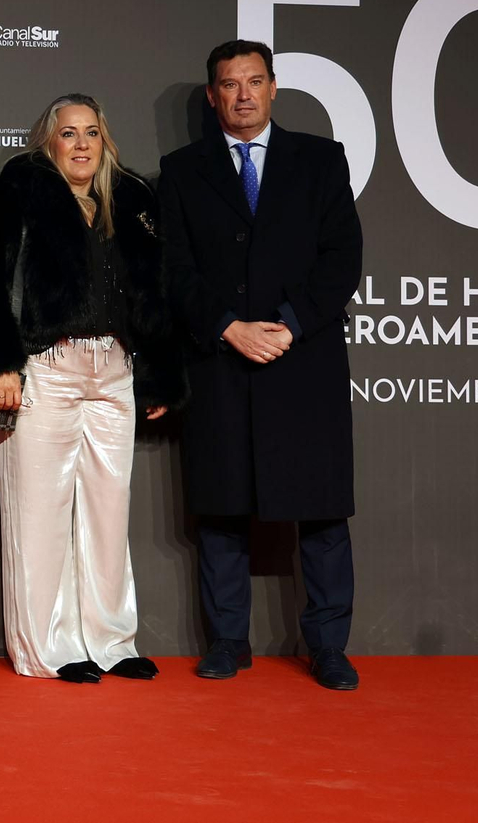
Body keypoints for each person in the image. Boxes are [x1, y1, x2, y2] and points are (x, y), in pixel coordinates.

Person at [0, 94, 185, 682]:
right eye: (68, 133)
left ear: (105, 140)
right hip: (45, 368)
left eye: (91, 133)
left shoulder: (132, 201)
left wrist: (155, 372)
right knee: (39, 512)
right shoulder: (13, 195)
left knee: (109, 514)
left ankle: (111, 641)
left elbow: (155, 294)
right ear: (48, 141)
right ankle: (47, 650)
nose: (81, 144)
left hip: (115, 370)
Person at [157, 39, 364, 691]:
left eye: (254, 80)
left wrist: (290, 324)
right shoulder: (183, 170)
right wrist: (227, 327)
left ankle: (328, 645)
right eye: (229, 83)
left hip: (304, 362)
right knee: (221, 508)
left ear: (274, 87)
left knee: (322, 510)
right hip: (221, 359)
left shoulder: (321, 161)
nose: (242, 94)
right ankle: (227, 641)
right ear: (213, 94)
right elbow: (174, 271)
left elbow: (342, 259)